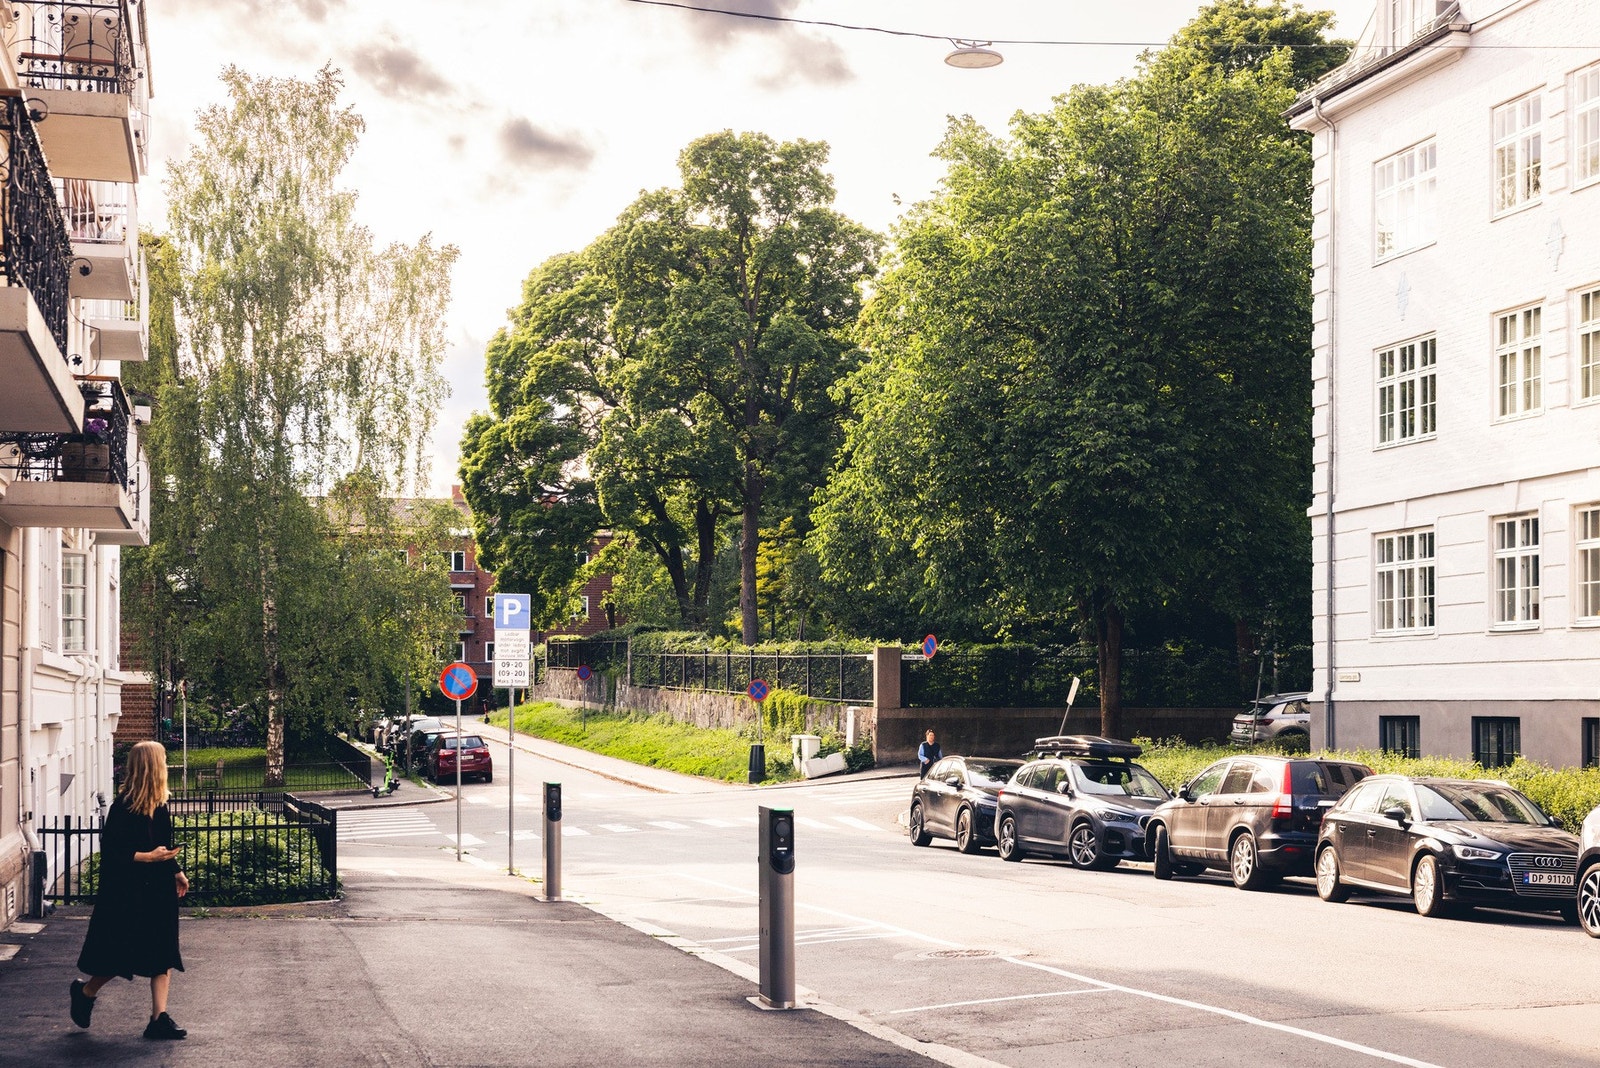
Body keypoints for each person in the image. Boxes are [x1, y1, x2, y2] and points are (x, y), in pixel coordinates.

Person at [70, 740, 189, 1041]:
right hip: (130, 893)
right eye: (163, 760)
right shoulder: (123, 807)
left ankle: (158, 1019)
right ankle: (85, 992)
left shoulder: (159, 805)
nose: (166, 765)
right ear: (151, 766)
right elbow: (112, 851)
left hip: (158, 889)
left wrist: (176, 871)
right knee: (120, 954)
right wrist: (147, 857)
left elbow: (163, 843)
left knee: (163, 952)